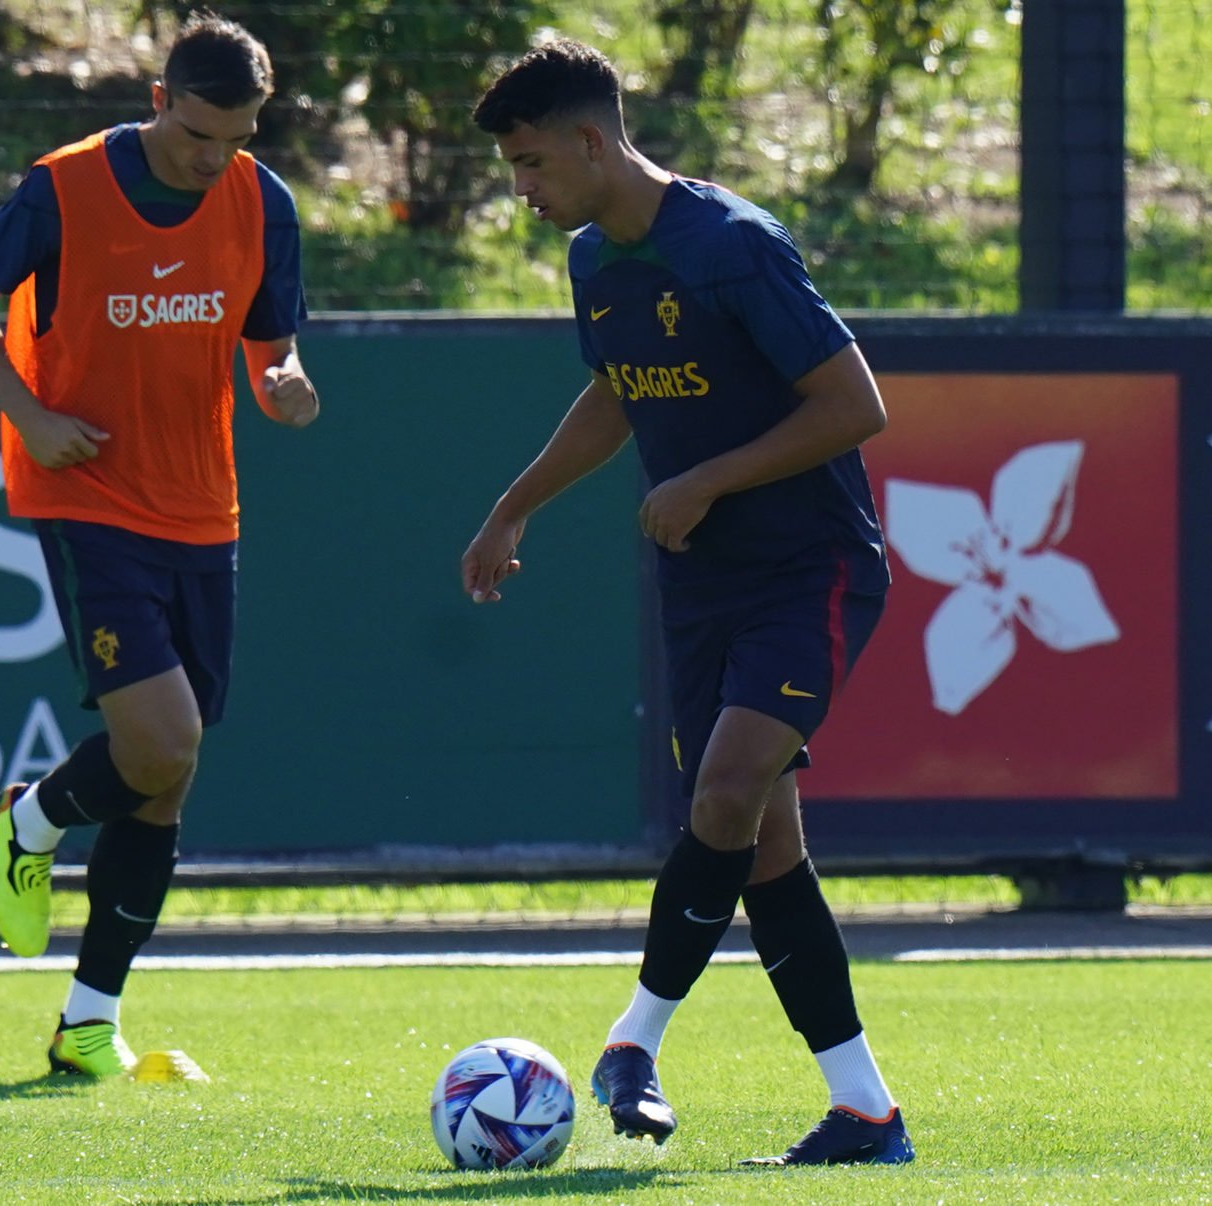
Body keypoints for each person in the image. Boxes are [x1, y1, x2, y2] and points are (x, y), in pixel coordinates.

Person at [460, 40, 913, 1167]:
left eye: (529, 162)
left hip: (807, 568)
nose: (521, 186)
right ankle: (865, 1112)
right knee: (760, 850)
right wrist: (513, 507)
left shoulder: (731, 247)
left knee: (723, 792)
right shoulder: (593, 262)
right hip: (702, 584)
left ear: (590, 140)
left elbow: (856, 406)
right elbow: (616, 393)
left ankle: (632, 1039)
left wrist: (707, 477)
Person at [0, 12, 317, 1079]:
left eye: (236, 140)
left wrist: (283, 387)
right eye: (198, 136)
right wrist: (28, 416)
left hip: (204, 506)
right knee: (160, 743)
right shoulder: (64, 188)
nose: (214, 160)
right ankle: (34, 820)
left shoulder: (263, 202)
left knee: (164, 782)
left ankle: (87, 1023)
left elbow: (269, 347)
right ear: (158, 103)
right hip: (86, 489)